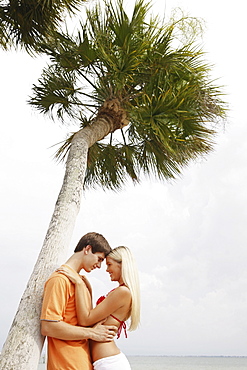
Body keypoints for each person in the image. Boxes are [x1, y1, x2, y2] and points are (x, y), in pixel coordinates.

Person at [40, 232, 118, 370]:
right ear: (87, 249)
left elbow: (85, 321)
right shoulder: (59, 280)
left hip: (85, 362)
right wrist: (93, 333)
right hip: (67, 364)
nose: (99, 266)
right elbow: (48, 327)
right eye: (99, 259)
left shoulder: (82, 283)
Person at [58, 246, 141, 370]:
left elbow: (85, 320)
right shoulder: (122, 291)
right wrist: (89, 292)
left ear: (121, 265)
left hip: (109, 363)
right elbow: (92, 319)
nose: (107, 269)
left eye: (109, 264)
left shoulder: (123, 292)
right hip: (104, 362)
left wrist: (79, 285)